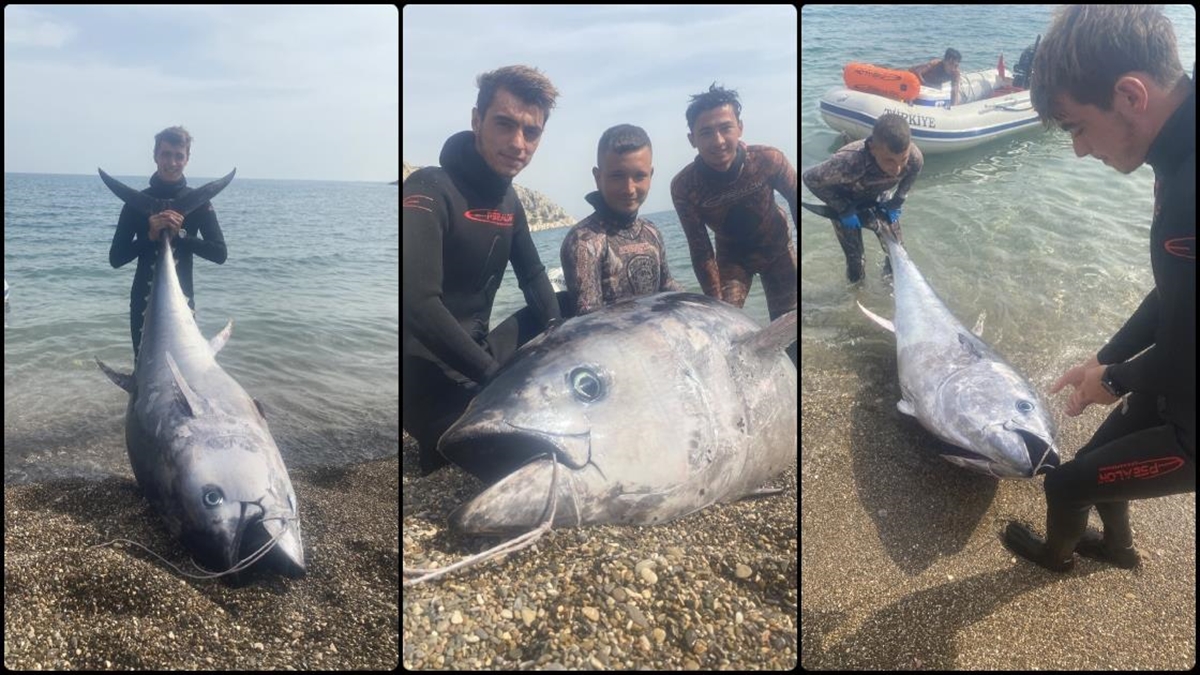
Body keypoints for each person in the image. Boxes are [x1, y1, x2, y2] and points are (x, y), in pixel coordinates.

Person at [1001, 5, 1195, 572]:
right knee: (1095, 462)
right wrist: (1105, 359)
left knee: (1065, 484)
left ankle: (1054, 558)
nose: (1080, 150)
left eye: (1077, 127)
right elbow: (1177, 295)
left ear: (1130, 95)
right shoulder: (1178, 156)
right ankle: (1118, 548)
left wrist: (1114, 379)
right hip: (1175, 389)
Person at [402, 65, 563, 474]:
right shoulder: (428, 189)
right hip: (425, 377)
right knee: (532, 463)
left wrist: (560, 340)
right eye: (504, 124)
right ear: (477, 120)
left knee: (567, 304)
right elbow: (417, 304)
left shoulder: (509, 201)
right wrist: (496, 376)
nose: (518, 143)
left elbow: (533, 277)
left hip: (480, 357)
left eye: (531, 132)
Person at [670, 83, 798, 322]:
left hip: (777, 248)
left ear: (740, 127)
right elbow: (700, 249)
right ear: (692, 139)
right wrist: (715, 302)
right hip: (732, 259)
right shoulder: (685, 187)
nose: (718, 141)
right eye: (706, 132)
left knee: (787, 323)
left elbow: (795, 199)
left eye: (725, 128)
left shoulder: (768, 160)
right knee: (723, 322)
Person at [107, 126, 227, 361]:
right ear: (155, 156)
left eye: (178, 156)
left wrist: (180, 235)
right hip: (143, 304)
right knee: (145, 369)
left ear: (187, 159)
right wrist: (150, 236)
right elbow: (116, 258)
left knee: (186, 369)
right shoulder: (133, 205)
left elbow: (220, 253)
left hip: (183, 303)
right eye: (166, 154)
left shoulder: (200, 204)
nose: (172, 162)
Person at [560, 124, 681, 315]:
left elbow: (668, 288)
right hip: (612, 334)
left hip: (658, 330)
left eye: (639, 176)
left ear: (651, 175)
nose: (629, 189)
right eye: (617, 176)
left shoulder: (652, 232)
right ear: (598, 177)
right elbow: (589, 317)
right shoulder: (584, 241)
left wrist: (704, 306)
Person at [801, 113, 923, 282]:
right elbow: (809, 178)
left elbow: (913, 171)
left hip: (879, 198)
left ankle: (889, 288)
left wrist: (897, 200)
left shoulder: (914, 158)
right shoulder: (848, 162)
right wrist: (843, 208)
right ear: (873, 149)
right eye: (889, 161)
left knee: (898, 253)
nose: (897, 169)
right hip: (846, 202)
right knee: (856, 262)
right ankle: (856, 294)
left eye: (903, 159)